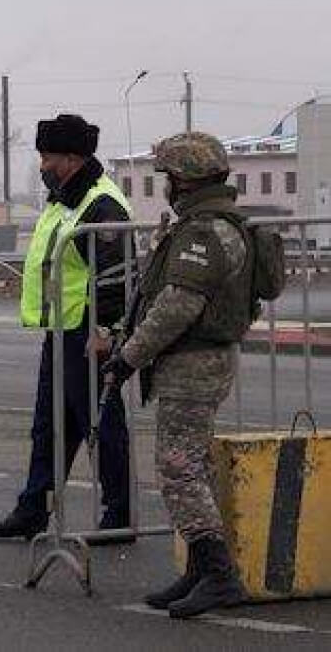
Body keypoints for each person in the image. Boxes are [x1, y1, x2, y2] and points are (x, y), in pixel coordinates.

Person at [100, 132, 249, 618]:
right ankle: (200, 571)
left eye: (168, 176)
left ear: (184, 179)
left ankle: (219, 574)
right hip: (197, 362)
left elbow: (176, 307)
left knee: (179, 468)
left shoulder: (205, 232)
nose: (165, 185)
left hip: (192, 364)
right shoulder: (212, 224)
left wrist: (129, 357)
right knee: (192, 466)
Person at [0, 114, 133, 542]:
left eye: (47, 157)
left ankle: (120, 514)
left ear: (70, 158)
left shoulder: (101, 204)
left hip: (89, 332)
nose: (42, 165)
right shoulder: (64, 198)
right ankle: (33, 509)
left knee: (100, 424)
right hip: (63, 329)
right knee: (50, 425)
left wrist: (105, 333)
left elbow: (116, 277)